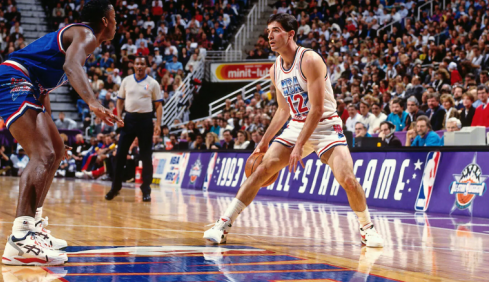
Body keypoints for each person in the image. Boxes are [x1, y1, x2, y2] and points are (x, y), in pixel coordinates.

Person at [203, 13, 383, 248]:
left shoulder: (309, 59)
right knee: (261, 170)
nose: (270, 36)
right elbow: (282, 110)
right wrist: (264, 142)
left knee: (348, 179)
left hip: (326, 126)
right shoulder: (275, 69)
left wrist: (299, 146)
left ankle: (367, 229)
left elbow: (317, 110)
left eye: (275, 30)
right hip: (297, 124)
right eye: (268, 31)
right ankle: (222, 225)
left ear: (290, 34)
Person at [0, 0, 119, 266]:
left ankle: (34, 227)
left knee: (55, 151)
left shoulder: (79, 39)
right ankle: (21, 237)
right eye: (115, 17)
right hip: (11, 79)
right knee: (42, 154)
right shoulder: (86, 34)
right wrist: (92, 101)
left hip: (29, 85)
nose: (116, 23)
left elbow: (44, 90)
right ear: (105, 21)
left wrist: (53, 133)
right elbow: (72, 68)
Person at [105, 55, 162, 202]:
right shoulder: (126, 81)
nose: (140, 66)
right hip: (129, 119)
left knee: (146, 156)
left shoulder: (153, 83)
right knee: (120, 154)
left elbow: (158, 105)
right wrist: (118, 117)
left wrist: (158, 124)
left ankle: (146, 190)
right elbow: (119, 100)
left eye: (142, 63)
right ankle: (115, 187)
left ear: (146, 66)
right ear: (134, 66)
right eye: (137, 64)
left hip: (145, 120)